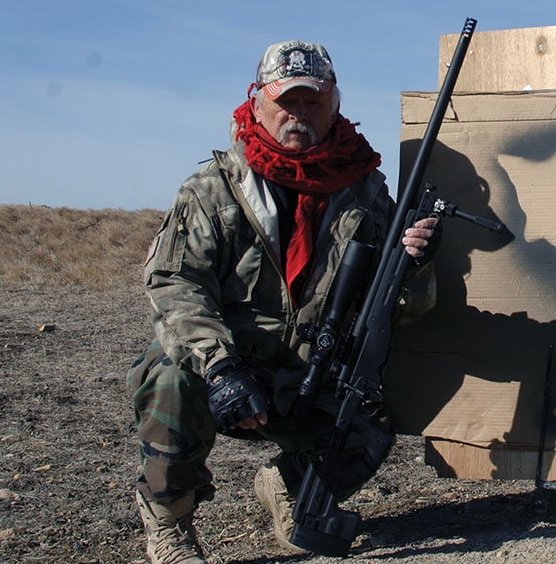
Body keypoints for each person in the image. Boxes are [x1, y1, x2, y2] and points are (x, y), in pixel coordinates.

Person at [128, 40, 438, 564]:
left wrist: (417, 264)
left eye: (312, 102)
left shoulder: (367, 193)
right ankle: (169, 525)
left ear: (334, 105)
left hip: (314, 371)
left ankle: (289, 484)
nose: (298, 114)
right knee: (169, 377)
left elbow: (403, 308)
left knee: (372, 422)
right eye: (286, 101)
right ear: (257, 102)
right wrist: (220, 367)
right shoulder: (212, 189)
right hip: (233, 368)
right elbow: (176, 284)